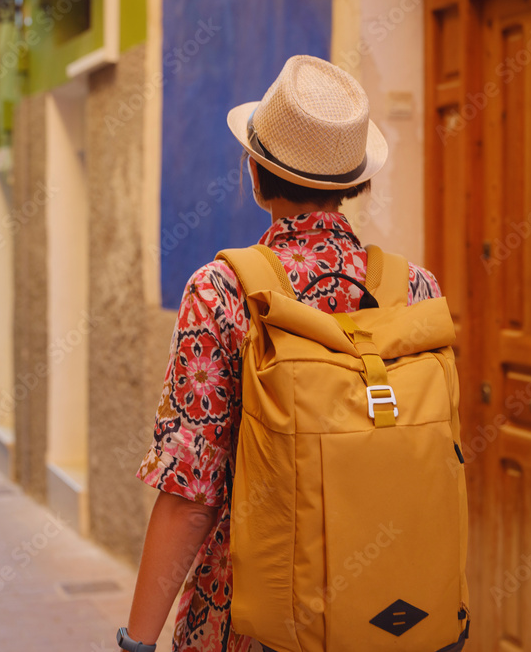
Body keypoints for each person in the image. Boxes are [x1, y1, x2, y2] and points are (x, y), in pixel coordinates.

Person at [117, 55, 442, 652]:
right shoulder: (415, 291)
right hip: (393, 618)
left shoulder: (222, 293)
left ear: (255, 173)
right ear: (355, 181)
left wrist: (136, 640)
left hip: (254, 623)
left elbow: (192, 494)